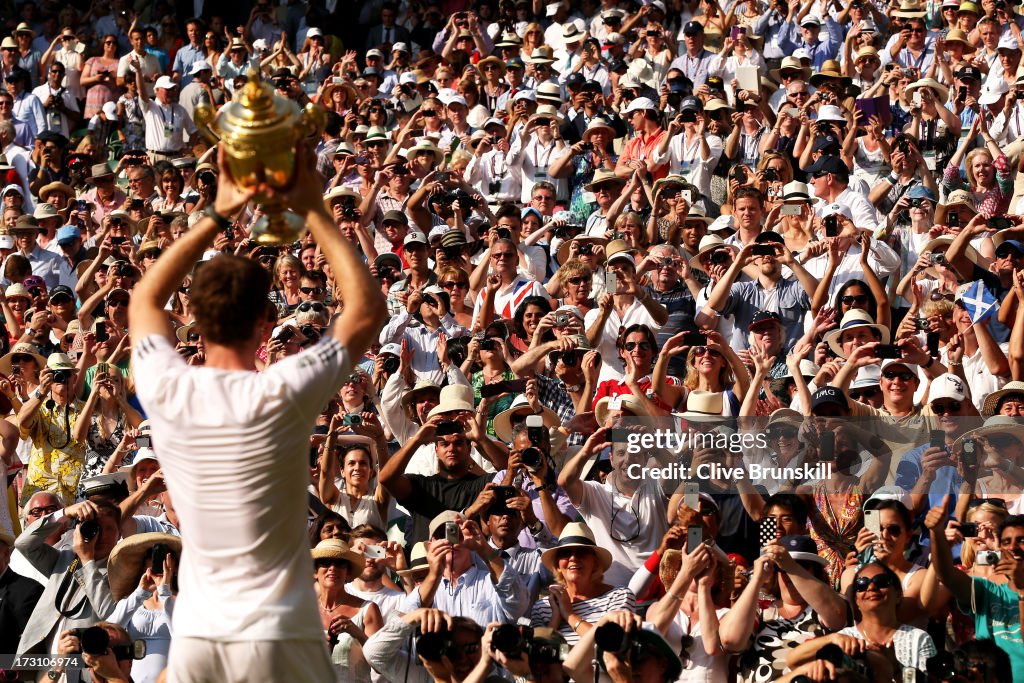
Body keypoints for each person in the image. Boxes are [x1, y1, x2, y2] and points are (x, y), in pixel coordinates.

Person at [127, 143, 386, 682]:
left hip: (199, 634)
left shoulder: (168, 387)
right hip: (279, 635)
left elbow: (145, 300)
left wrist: (217, 212)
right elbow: (366, 310)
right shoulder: (280, 393)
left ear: (195, 318)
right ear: (266, 327)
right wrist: (314, 207)